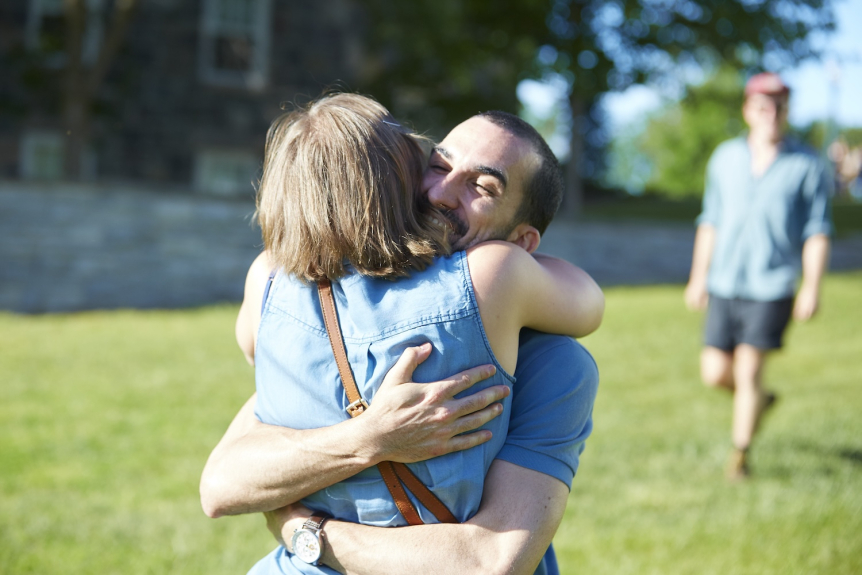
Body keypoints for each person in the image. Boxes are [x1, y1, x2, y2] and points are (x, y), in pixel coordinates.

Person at [202, 94, 604, 574]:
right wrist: (371, 435)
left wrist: (305, 533)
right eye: (438, 165)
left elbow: (222, 483)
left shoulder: (271, 282)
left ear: (522, 243)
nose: (441, 192)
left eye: (483, 186)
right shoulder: (499, 282)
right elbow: (589, 303)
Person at [684, 72, 833, 480]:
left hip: (772, 285)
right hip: (724, 283)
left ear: (787, 111)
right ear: (749, 111)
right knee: (716, 373)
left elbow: (817, 231)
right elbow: (709, 220)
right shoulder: (725, 157)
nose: (772, 114)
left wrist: (811, 286)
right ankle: (758, 402)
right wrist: (698, 277)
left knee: (749, 370)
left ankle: (740, 456)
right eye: (763, 106)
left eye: (780, 106)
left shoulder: (807, 164)